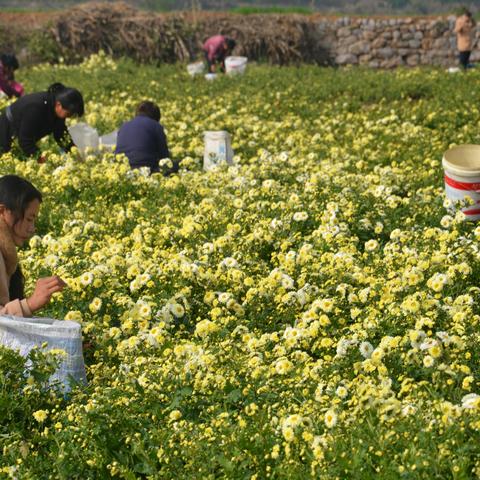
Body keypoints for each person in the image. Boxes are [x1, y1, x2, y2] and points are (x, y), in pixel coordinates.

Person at [0, 175, 66, 317]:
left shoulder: (6, 253)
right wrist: (29, 304)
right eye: (29, 219)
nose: (32, 229)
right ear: (2, 212)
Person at [0, 82, 84, 163]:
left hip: (16, 140)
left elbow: (61, 134)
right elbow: (25, 140)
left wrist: (75, 153)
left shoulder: (55, 107)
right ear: (59, 105)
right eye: (69, 113)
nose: (69, 116)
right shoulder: (36, 108)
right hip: (5, 132)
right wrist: (41, 160)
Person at [116, 100, 177, 175]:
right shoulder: (156, 126)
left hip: (122, 169)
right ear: (156, 117)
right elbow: (165, 159)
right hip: (147, 170)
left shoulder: (124, 126)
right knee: (178, 166)